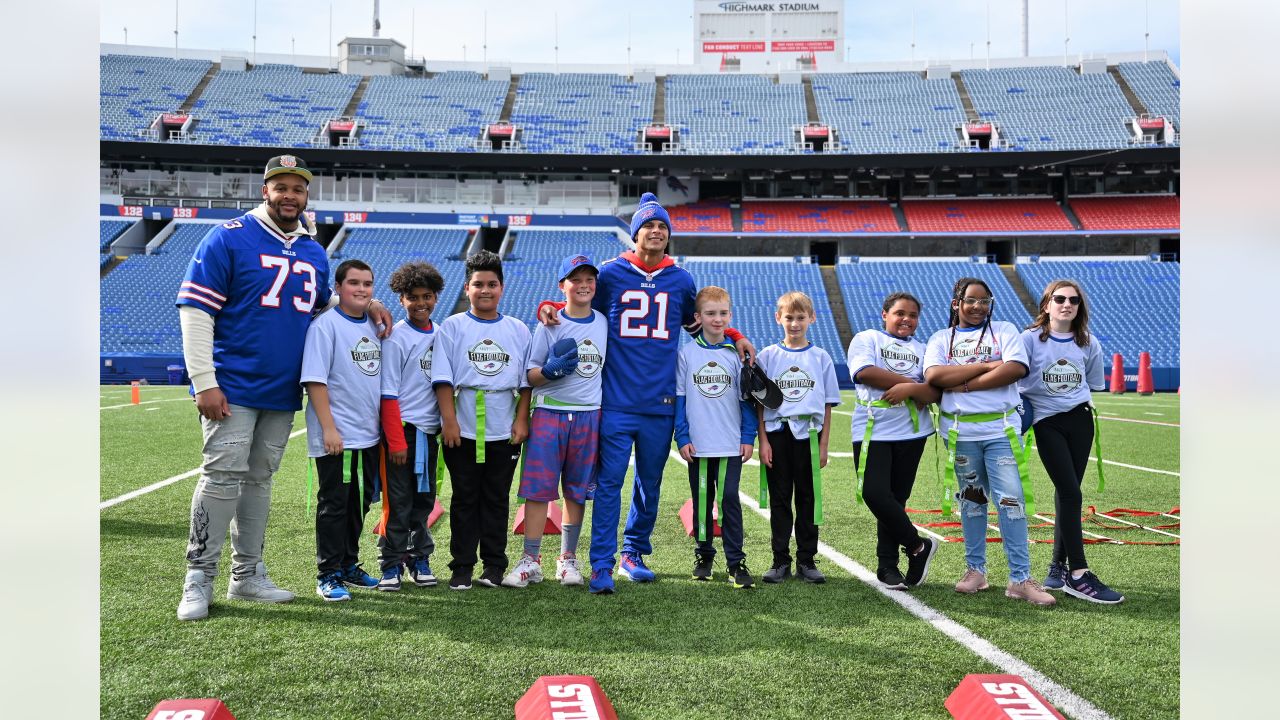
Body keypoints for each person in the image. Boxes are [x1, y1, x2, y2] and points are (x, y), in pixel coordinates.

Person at [174, 155, 390, 621]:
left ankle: (246, 574)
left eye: (299, 188)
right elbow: (195, 310)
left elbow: (320, 301)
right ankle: (198, 576)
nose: (290, 195)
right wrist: (204, 381)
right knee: (220, 477)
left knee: (258, 481)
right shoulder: (228, 237)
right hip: (232, 385)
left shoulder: (312, 249)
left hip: (280, 389)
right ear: (265, 190)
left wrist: (367, 302)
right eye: (282, 187)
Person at [535, 193, 754, 595]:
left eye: (662, 227)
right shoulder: (611, 273)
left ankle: (633, 552)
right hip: (617, 400)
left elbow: (699, 321)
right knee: (609, 484)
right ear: (635, 233)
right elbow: (580, 305)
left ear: (668, 236)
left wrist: (735, 335)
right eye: (648, 226)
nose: (656, 231)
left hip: (661, 402)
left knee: (649, 484)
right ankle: (601, 563)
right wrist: (549, 305)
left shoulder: (681, 279)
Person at [923, 277, 1055, 607]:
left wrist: (964, 383)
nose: (979, 307)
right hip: (962, 434)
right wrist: (986, 365)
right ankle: (975, 571)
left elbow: (1015, 369)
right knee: (972, 501)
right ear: (957, 303)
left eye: (985, 301)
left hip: (1000, 432)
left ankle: (1020, 578)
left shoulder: (1005, 331)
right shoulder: (941, 338)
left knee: (1011, 502)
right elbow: (935, 377)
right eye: (971, 301)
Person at [503, 254, 608, 589]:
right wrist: (548, 372)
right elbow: (530, 375)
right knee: (538, 491)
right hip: (550, 413)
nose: (583, 285)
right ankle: (531, 561)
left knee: (576, 491)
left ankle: (568, 560)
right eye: (575, 279)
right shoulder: (548, 323)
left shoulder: (604, 321)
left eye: (589, 279)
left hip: (590, 414)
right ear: (562, 285)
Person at [433, 250, 532, 591]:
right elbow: (443, 378)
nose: (485, 290)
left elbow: (525, 384)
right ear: (467, 287)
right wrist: (449, 420)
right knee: (463, 498)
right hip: (462, 427)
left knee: (496, 498)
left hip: (503, 430)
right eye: (478, 284)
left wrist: (521, 420)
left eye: (492, 284)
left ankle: (493, 566)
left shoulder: (517, 329)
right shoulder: (453, 326)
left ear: (502, 288)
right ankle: (461, 567)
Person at [1020, 280, 1123, 604]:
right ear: (1047, 304)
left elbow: (1092, 384)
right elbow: (1019, 382)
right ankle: (1078, 573)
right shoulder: (1030, 339)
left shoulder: (1088, 342)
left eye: (1074, 300)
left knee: (1069, 494)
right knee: (1070, 492)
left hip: (1080, 420)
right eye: (1060, 298)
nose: (1067, 304)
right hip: (1047, 421)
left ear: (1080, 307)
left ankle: (1056, 567)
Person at [302, 259, 384, 601]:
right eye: (354, 283)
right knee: (334, 504)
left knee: (359, 504)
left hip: (368, 435)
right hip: (337, 436)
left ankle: (349, 563)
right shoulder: (325, 326)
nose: (361, 289)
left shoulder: (373, 325)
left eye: (367, 283)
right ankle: (328, 572)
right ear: (338, 288)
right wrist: (329, 429)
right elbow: (315, 381)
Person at [847, 292, 941, 590]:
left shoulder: (924, 349)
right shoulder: (867, 338)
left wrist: (911, 390)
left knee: (896, 501)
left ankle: (888, 565)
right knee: (875, 494)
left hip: (912, 432)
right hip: (873, 430)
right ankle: (917, 546)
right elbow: (864, 373)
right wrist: (910, 385)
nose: (906, 319)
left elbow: (935, 393)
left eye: (913, 315)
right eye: (900, 313)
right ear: (885, 314)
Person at [756, 292, 841, 584]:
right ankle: (780, 560)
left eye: (800, 317)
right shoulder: (768, 356)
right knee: (780, 499)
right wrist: (763, 441)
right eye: (789, 317)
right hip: (777, 434)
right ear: (778, 318)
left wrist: (825, 445)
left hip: (809, 436)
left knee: (808, 498)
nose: (795, 323)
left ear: (812, 319)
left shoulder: (821, 357)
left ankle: (807, 559)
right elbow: (760, 403)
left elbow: (828, 403)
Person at [675, 286, 758, 588]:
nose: (717, 318)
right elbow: (680, 399)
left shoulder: (737, 354)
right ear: (698, 317)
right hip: (698, 444)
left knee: (729, 500)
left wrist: (748, 436)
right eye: (710, 313)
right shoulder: (686, 354)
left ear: (730, 316)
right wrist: (682, 437)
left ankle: (736, 562)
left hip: (729, 443)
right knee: (701, 501)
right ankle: (704, 555)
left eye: (723, 313)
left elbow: (746, 399)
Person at [375, 260, 447, 591]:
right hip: (400, 434)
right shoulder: (395, 337)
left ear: (436, 297)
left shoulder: (442, 334)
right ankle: (390, 563)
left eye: (427, 296)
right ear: (401, 299)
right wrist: (395, 440)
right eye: (414, 297)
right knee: (397, 502)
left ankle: (419, 558)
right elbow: (388, 392)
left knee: (424, 500)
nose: (421, 303)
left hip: (428, 435)